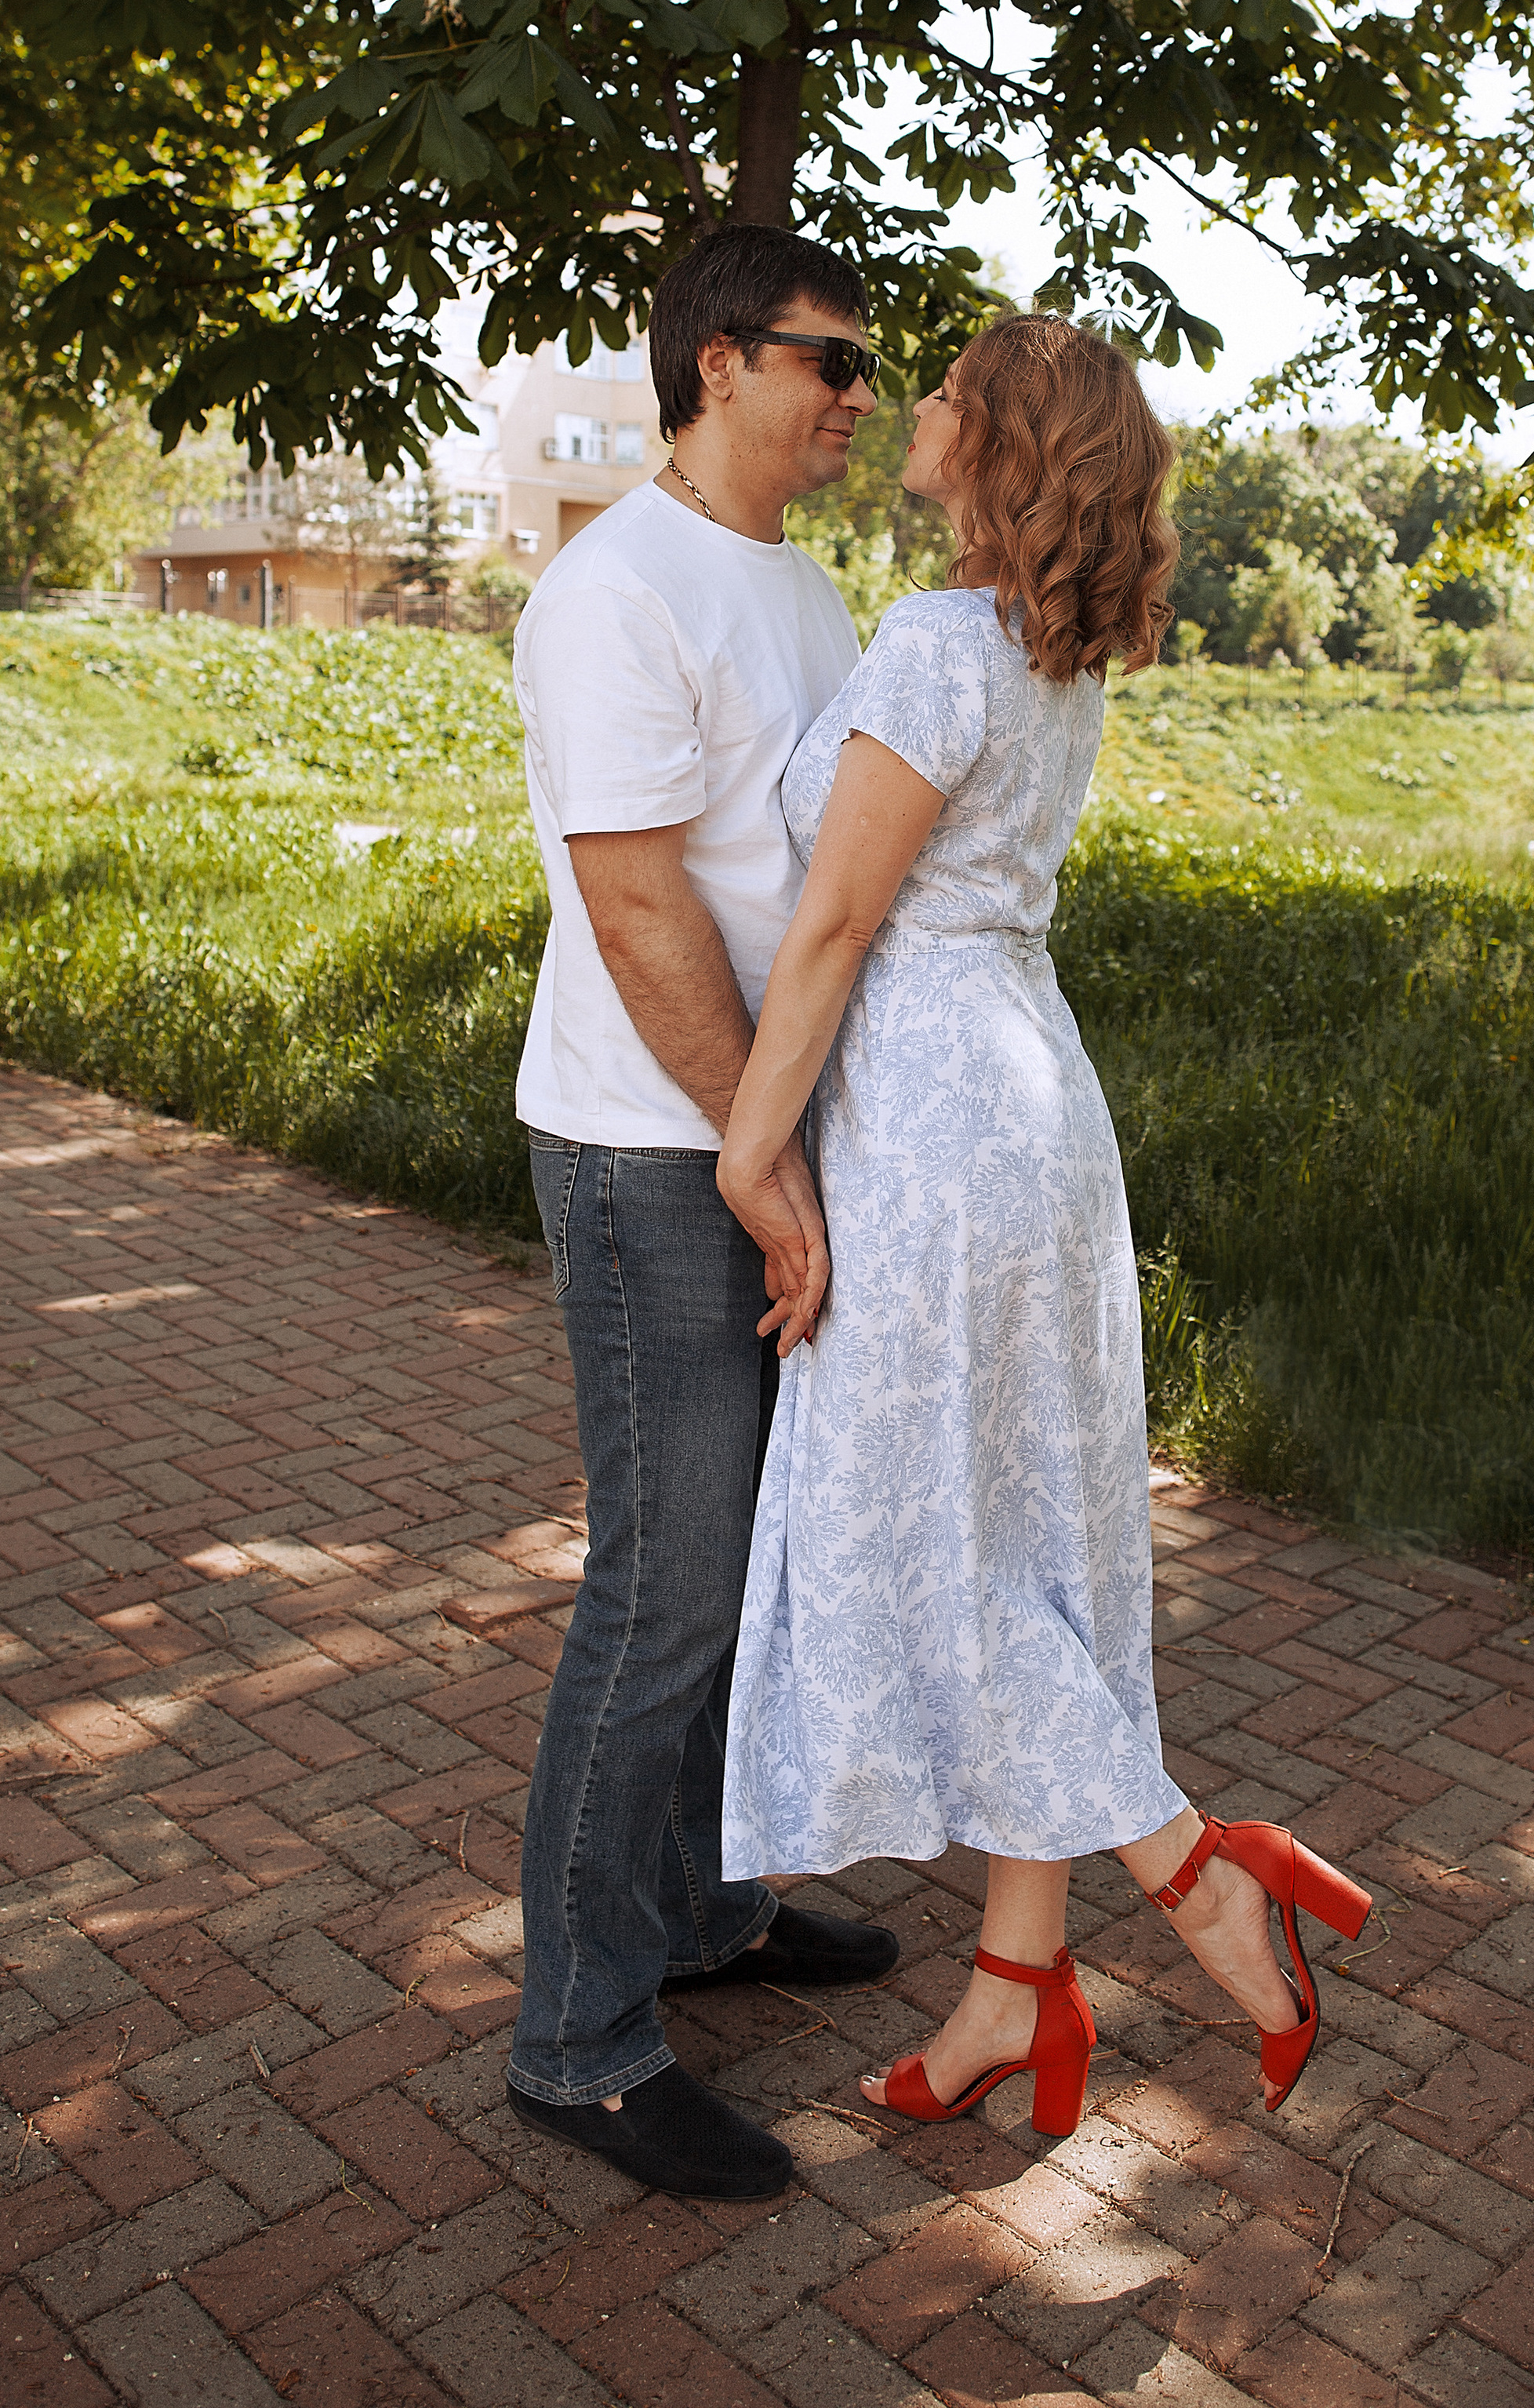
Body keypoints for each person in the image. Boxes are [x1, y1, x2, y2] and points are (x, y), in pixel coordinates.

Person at [715, 313, 1369, 2137]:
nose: (905, 408)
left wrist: (745, 1154)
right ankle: (1014, 1986)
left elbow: (836, 926)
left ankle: (1196, 1873)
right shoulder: (1044, 648)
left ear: (999, 444)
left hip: (930, 1116)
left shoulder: (937, 642)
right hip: (1028, 1102)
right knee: (1025, 1536)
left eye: (937, 393)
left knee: (931, 1540)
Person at [503, 225, 905, 2202]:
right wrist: (759, 1154)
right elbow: (640, 903)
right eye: (829, 362)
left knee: (743, 1583)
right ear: (723, 361)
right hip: (651, 1149)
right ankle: (578, 2042)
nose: (857, 398)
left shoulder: (803, 587)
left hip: (753, 1143)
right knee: (660, 1593)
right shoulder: (612, 593)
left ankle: (708, 1917)